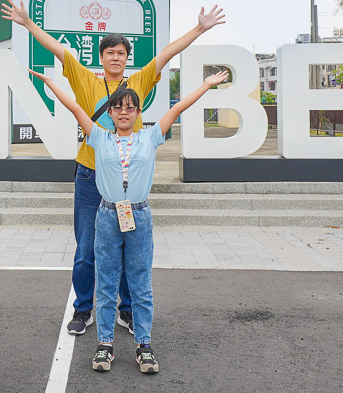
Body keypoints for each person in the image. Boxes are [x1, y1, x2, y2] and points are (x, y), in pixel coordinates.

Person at [1, 0, 225, 336]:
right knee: (87, 248)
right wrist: (29, 25)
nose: (115, 57)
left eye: (121, 52)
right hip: (91, 176)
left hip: (125, 183)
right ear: (102, 57)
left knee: (128, 251)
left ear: (126, 57)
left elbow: (165, 54)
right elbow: (61, 53)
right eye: (110, 53)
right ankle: (83, 309)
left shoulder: (139, 81)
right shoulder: (86, 81)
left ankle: (127, 310)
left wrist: (199, 28)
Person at [31, 66, 230, 374]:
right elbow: (73, 107)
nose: (124, 112)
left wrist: (205, 85)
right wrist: (51, 84)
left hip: (139, 214)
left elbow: (178, 107)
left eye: (130, 107)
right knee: (108, 282)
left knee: (140, 283)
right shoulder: (98, 137)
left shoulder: (150, 137)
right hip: (108, 215)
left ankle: (144, 347)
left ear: (138, 112)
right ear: (109, 112)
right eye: (118, 107)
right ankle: (105, 345)